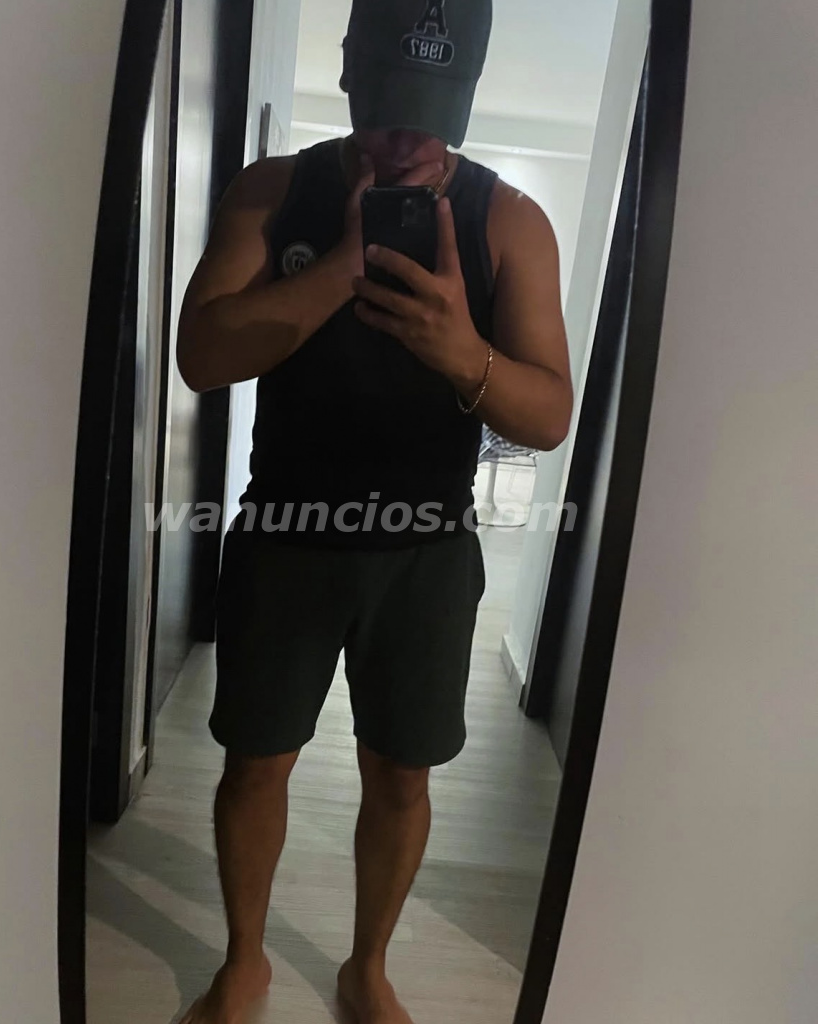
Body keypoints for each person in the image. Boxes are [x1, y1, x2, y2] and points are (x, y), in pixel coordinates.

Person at [176, 0, 572, 1020]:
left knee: (402, 775)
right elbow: (202, 357)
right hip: (285, 533)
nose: (407, 138)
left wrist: (462, 353)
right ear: (349, 69)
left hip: (426, 548)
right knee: (256, 762)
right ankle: (245, 961)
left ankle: (367, 967)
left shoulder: (509, 220)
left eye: (433, 111)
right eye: (390, 105)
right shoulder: (274, 191)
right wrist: (335, 274)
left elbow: (548, 415)